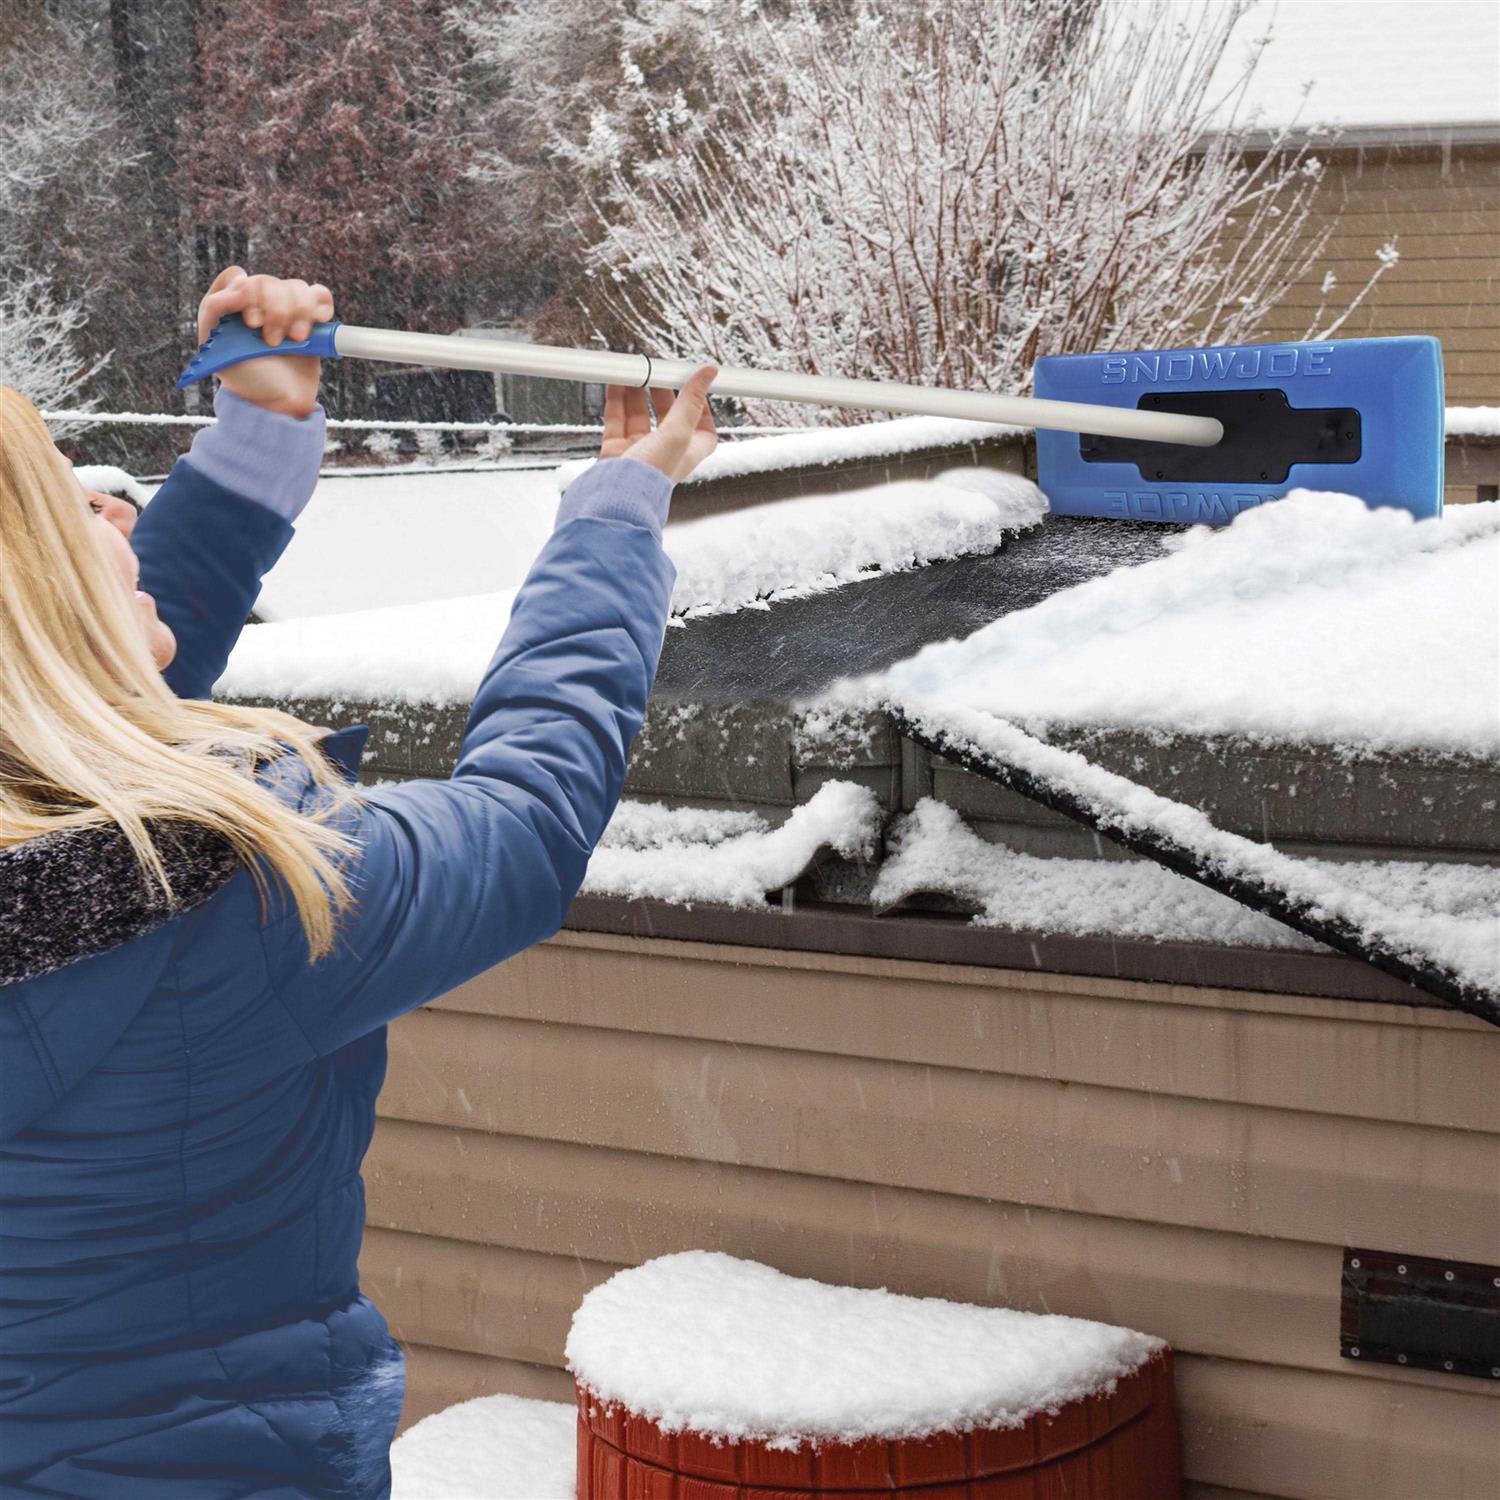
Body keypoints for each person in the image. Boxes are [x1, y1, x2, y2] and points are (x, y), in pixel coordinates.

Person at [0, 267, 717, 1497]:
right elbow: (525, 819)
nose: (115, 506)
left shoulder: (66, 861)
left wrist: (258, 441)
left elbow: (75, 711)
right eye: (69, 503)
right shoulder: (231, 904)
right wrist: (617, 514)